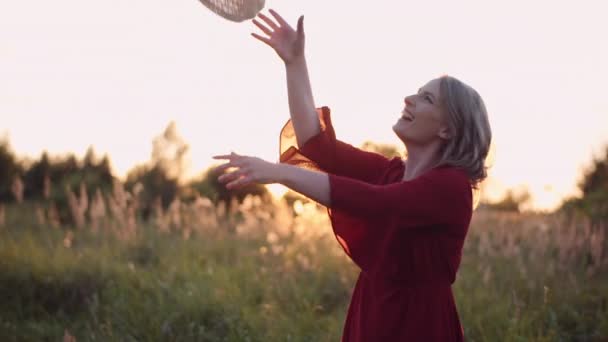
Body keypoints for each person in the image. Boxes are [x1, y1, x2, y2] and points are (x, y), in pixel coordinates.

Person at [213, 9, 492, 341]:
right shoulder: (391, 172)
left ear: (448, 129)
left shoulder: (451, 187)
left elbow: (375, 203)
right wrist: (294, 63)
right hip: (373, 314)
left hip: (419, 325)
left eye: (426, 98)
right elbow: (316, 145)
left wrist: (280, 173)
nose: (409, 98)